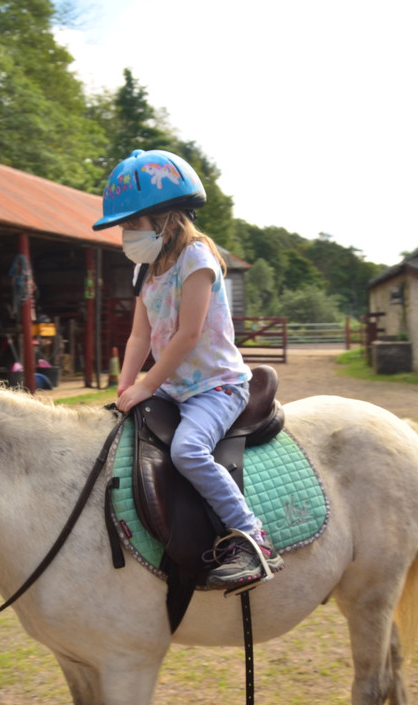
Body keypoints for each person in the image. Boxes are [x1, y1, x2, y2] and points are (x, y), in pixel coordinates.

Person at [93, 149, 283, 591]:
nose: (125, 235)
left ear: (165, 218)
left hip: (215, 387)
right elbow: (140, 337)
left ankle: (254, 541)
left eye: (131, 225)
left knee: (188, 452)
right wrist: (125, 387)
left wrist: (147, 385)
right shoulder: (144, 268)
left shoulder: (196, 258)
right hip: (174, 387)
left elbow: (188, 334)